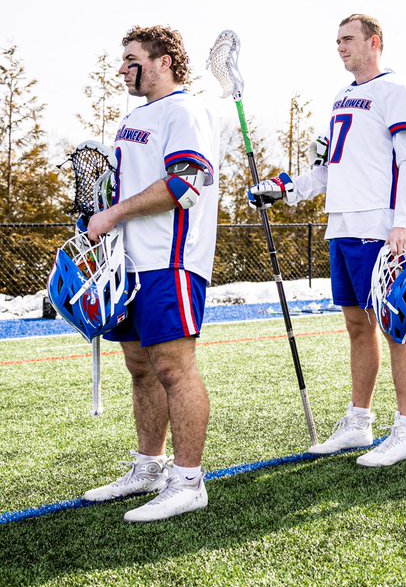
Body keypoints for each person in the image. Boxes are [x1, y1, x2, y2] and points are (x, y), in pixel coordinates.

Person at [248, 14, 406, 466]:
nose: (340, 47)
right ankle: (359, 421)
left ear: (375, 42)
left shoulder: (398, 91)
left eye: (348, 39)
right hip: (342, 226)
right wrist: (285, 189)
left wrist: (402, 222)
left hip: (379, 228)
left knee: (397, 324)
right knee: (356, 326)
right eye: (337, 40)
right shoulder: (341, 97)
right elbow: (330, 169)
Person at [83, 25, 219, 522]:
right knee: (140, 368)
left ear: (163, 61)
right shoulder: (133, 118)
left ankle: (188, 481)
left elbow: (184, 184)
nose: (122, 68)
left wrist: (114, 214)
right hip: (129, 263)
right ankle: (149, 466)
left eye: (131, 58)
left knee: (172, 369)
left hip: (172, 259)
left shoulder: (185, 111)